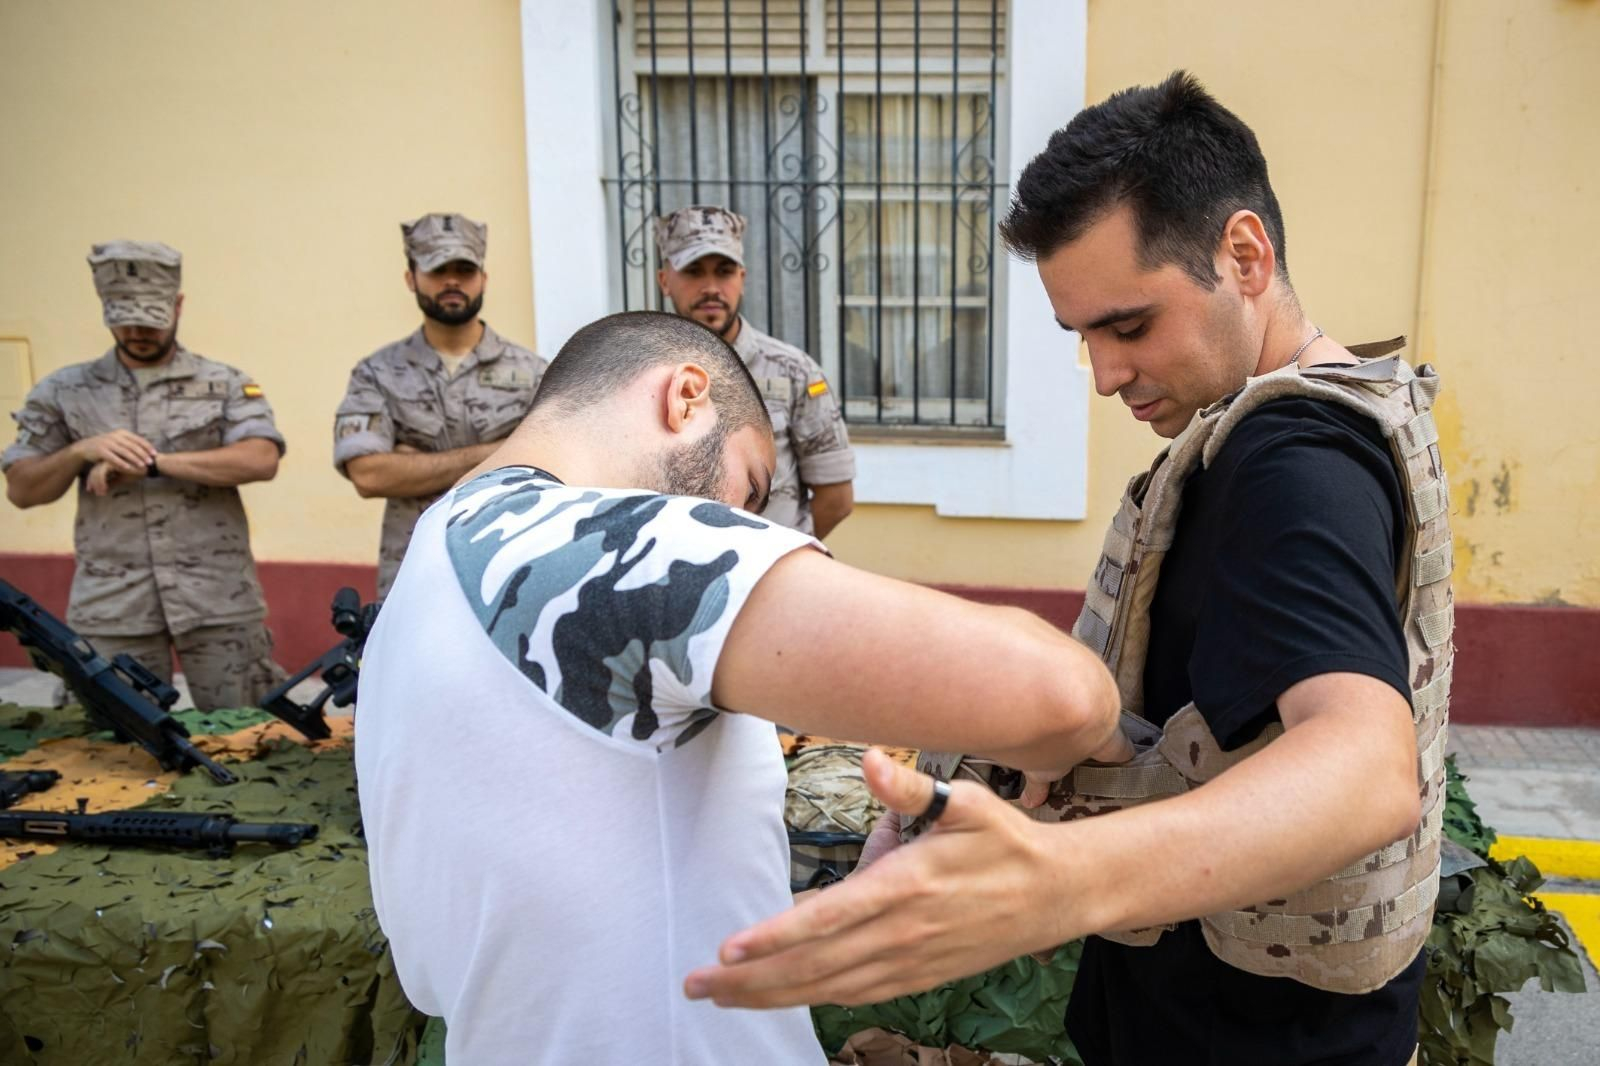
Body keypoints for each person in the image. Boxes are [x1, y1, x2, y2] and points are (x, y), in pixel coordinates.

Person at [685, 71, 1451, 1066]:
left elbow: (1366, 767)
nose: (1104, 374)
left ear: (1246, 255)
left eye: (1129, 325)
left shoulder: (1295, 462)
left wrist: (1062, 877)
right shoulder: (1305, 416)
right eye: (1081, 334)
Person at [354, 311, 1127, 1066]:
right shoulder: (613, 544)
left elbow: (558, 903)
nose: (742, 517)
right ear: (686, 396)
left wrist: (812, 912)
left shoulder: (428, 568)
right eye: (751, 487)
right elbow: (1064, 697)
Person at [3, 241, 288, 711]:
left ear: (177, 306)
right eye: (124, 317)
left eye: (152, 318)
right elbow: (22, 489)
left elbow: (260, 459)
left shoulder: (225, 383)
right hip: (114, 606)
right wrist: (81, 450)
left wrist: (153, 463)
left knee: (249, 734)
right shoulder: (63, 390)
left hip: (217, 599)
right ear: (105, 310)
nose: (137, 330)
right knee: (113, 748)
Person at [333, 213, 547, 596]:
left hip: (509, 572)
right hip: (414, 574)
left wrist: (412, 464)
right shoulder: (377, 373)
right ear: (410, 278)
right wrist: (503, 451)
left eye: (464, 270)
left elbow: (556, 465)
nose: (452, 281)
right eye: (437, 269)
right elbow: (369, 475)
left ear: (483, 277)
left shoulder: (534, 373)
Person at [656, 205, 855, 538]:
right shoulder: (638, 372)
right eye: (693, 272)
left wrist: (777, 557)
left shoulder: (793, 372)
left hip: (766, 579)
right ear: (665, 281)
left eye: (724, 271)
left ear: (742, 279)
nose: (711, 288)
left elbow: (836, 498)